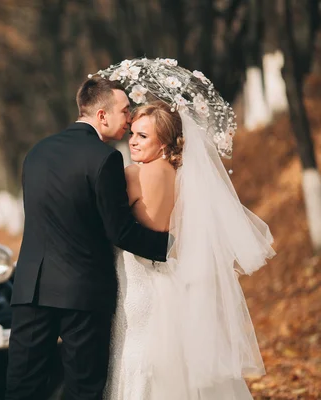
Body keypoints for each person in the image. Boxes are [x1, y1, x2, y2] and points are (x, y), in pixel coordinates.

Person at [100, 58, 275, 400]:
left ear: (164, 142)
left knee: (138, 359)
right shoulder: (178, 175)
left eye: (143, 136)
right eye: (132, 133)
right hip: (168, 279)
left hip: (140, 282)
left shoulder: (134, 176)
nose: (132, 142)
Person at [5, 77, 169, 400]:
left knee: (23, 386)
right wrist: (171, 246)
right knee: (83, 389)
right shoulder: (104, 159)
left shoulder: (36, 153)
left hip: (31, 289)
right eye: (125, 112)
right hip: (81, 294)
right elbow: (119, 231)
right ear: (102, 116)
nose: (129, 119)